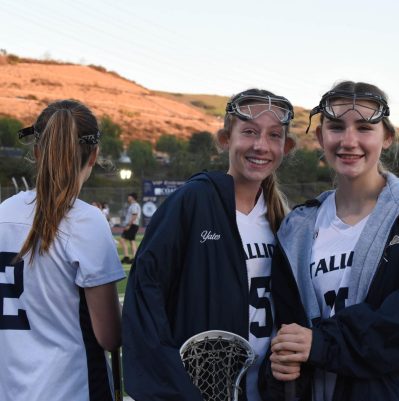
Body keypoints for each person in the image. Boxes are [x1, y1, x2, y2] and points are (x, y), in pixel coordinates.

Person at [263, 81, 399, 401]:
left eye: (364, 127)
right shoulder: (297, 227)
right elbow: (288, 331)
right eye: (336, 127)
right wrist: (282, 365)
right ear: (320, 137)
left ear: (387, 137)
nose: (349, 140)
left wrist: (323, 343)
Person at [122, 88, 296, 401]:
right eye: (249, 132)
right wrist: (174, 389)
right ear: (225, 139)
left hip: (268, 390)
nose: (261, 145)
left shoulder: (285, 222)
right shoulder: (193, 201)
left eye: (274, 135)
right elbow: (145, 295)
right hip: (203, 390)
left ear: (286, 147)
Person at [0, 100, 125, 401]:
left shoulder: (4, 212)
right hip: (72, 388)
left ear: (37, 151)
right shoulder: (87, 221)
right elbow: (109, 336)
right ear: (93, 155)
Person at [119, 192, 140, 264]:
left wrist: (128, 225)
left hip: (132, 225)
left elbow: (134, 215)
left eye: (129, 196)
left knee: (122, 239)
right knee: (132, 241)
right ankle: (134, 257)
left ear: (132, 197)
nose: (128, 197)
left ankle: (127, 257)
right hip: (133, 225)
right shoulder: (133, 205)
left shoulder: (134, 205)